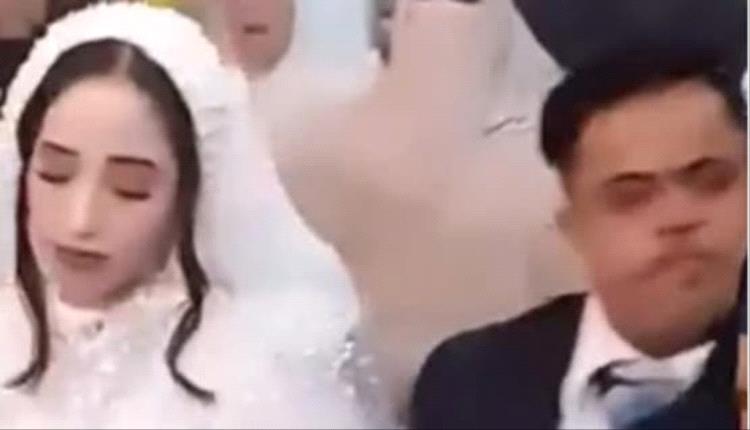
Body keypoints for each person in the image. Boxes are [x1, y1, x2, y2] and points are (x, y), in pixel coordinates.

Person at [0, 3, 378, 427]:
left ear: (191, 195)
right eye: (54, 174)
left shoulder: (250, 381)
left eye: (130, 189)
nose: (80, 220)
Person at [411, 45, 747, 429]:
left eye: (711, 181)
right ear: (573, 226)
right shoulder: (469, 379)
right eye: (631, 196)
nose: (678, 217)